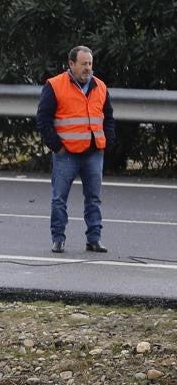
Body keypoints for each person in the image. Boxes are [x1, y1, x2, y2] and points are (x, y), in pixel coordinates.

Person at [36, 45, 115, 254]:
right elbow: (43, 120)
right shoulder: (54, 85)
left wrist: (107, 142)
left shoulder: (100, 87)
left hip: (93, 152)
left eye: (90, 64)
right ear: (71, 64)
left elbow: (108, 118)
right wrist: (58, 147)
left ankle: (94, 239)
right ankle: (58, 239)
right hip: (66, 154)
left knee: (94, 198)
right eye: (84, 64)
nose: (88, 68)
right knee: (59, 198)